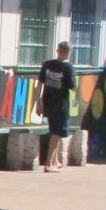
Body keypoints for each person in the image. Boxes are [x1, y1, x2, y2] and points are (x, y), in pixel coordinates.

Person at [38, 41, 76, 172]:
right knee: (56, 133)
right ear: (68, 53)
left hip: (48, 102)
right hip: (61, 105)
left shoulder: (47, 64)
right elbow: (72, 86)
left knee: (55, 131)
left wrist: (38, 101)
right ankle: (48, 163)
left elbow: (39, 83)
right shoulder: (68, 68)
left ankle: (55, 161)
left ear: (57, 50)